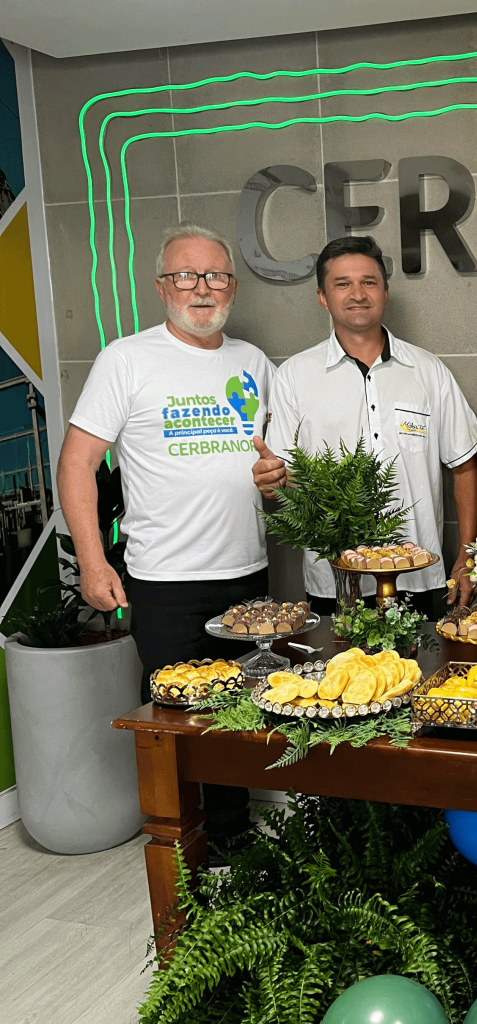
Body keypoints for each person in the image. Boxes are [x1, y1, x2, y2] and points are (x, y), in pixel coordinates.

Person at [57, 222, 276, 857]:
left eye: (216, 276)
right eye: (186, 276)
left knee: (240, 717)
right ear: (161, 287)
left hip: (246, 574)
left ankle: (233, 844)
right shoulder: (126, 359)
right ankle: (179, 852)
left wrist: (278, 478)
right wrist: (93, 561)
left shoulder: (254, 363)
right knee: (175, 722)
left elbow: (275, 461)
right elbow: (76, 464)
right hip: (165, 582)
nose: (202, 288)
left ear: (233, 287)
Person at [252, 235, 477, 616]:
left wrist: (467, 557)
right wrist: (273, 482)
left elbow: (465, 465)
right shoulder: (294, 376)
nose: (357, 294)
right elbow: (284, 481)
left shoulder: (428, 371)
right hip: (335, 581)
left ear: (385, 293)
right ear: (322, 297)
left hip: (418, 577)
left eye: (369, 282)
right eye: (342, 284)